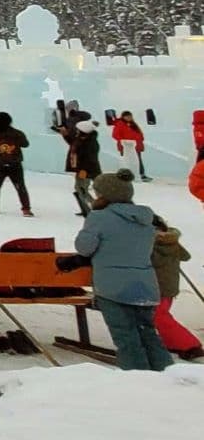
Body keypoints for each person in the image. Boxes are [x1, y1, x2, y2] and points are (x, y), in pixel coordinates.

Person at [68, 171, 169, 371]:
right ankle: (166, 374)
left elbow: (84, 247)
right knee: (148, 333)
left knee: (126, 336)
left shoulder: (100, 217)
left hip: (113, 286)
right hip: (144, 285)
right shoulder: (146, 218)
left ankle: (137, 379)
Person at [151, 216, 202, 360]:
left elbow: (153, 260)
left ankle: (189, 345)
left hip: (158, 288)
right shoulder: (170, 241)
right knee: (159, 316)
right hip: (169, 287)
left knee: (159, 317)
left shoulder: (151, 245)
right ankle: (174, 342)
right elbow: (186, 256)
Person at [65, 115, 102, 216]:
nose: (76, 131)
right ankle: (87, 206)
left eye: (78, 130)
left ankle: (94, 205)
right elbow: (73, 143)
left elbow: (90, 159)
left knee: (81, 188)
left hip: (86, 170)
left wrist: (84, 170)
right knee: (79, 188)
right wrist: (64, 135)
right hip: (82, 169)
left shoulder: (89, 143)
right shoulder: (83, 139)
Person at [113, 112, 148, 180]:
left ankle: (141, 174)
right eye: (127, 116)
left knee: (138, 160)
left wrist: (140, 140)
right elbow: (115, 135)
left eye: (130, 116)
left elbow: (139, 134)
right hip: (126, 146)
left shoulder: (133, 124)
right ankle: (127, 175)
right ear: (123, 117)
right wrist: (123, 141)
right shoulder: (120, 124)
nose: (129, 118)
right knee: (127, 161)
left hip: (135, 146)